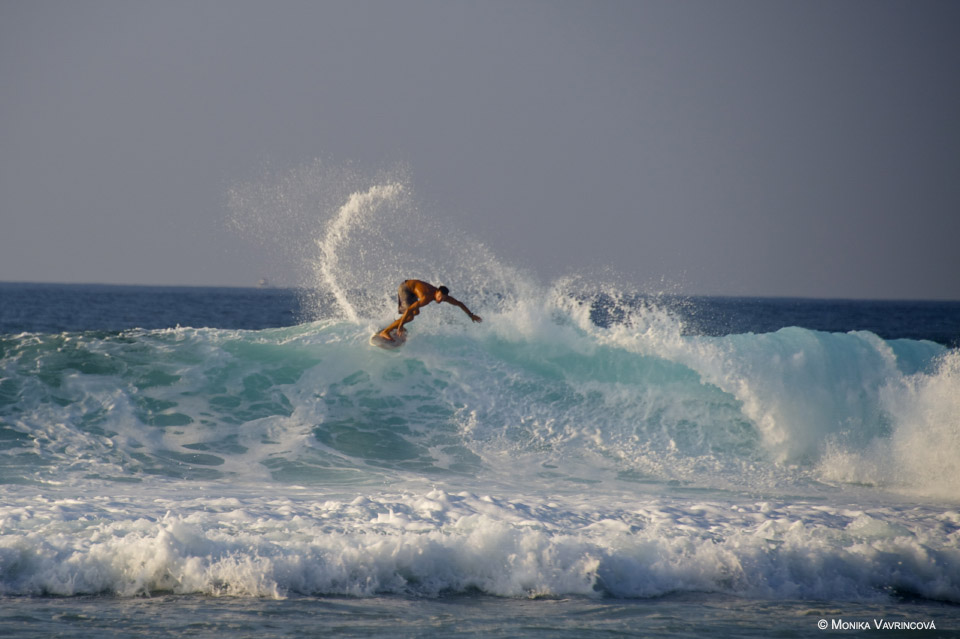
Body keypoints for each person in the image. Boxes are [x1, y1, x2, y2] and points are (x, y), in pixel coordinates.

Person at [378, 280, 482, 341]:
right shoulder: (426, 297)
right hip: (405, 288)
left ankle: (397, 324)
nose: (440, 300)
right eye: (439, 296)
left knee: (416, 312)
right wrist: (401, 325)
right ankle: (385, 332)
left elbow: (459, 304)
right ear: (436, 292)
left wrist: (471, 315)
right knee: (410, 315)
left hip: (413, 291)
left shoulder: (444, 297)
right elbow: (409, 309)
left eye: (443, 298)